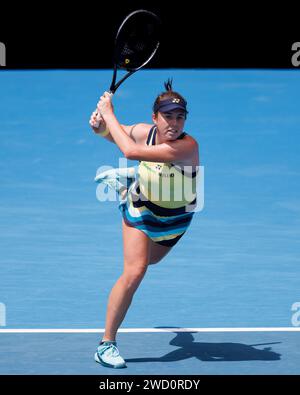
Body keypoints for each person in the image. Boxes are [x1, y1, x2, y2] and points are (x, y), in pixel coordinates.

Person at [89, 79, 199, 369]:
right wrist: (100, 125)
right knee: (135, 271)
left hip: (177, 217)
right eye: (167, 116)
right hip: (142, 208)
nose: (174, 123)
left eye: (180, 117)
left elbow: (130, 152)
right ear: (155, 117)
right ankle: (106, 343)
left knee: (152, 261)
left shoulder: (187, 147)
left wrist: (109, 112)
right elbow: (115, 136)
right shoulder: (142, 132)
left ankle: (124, 182)